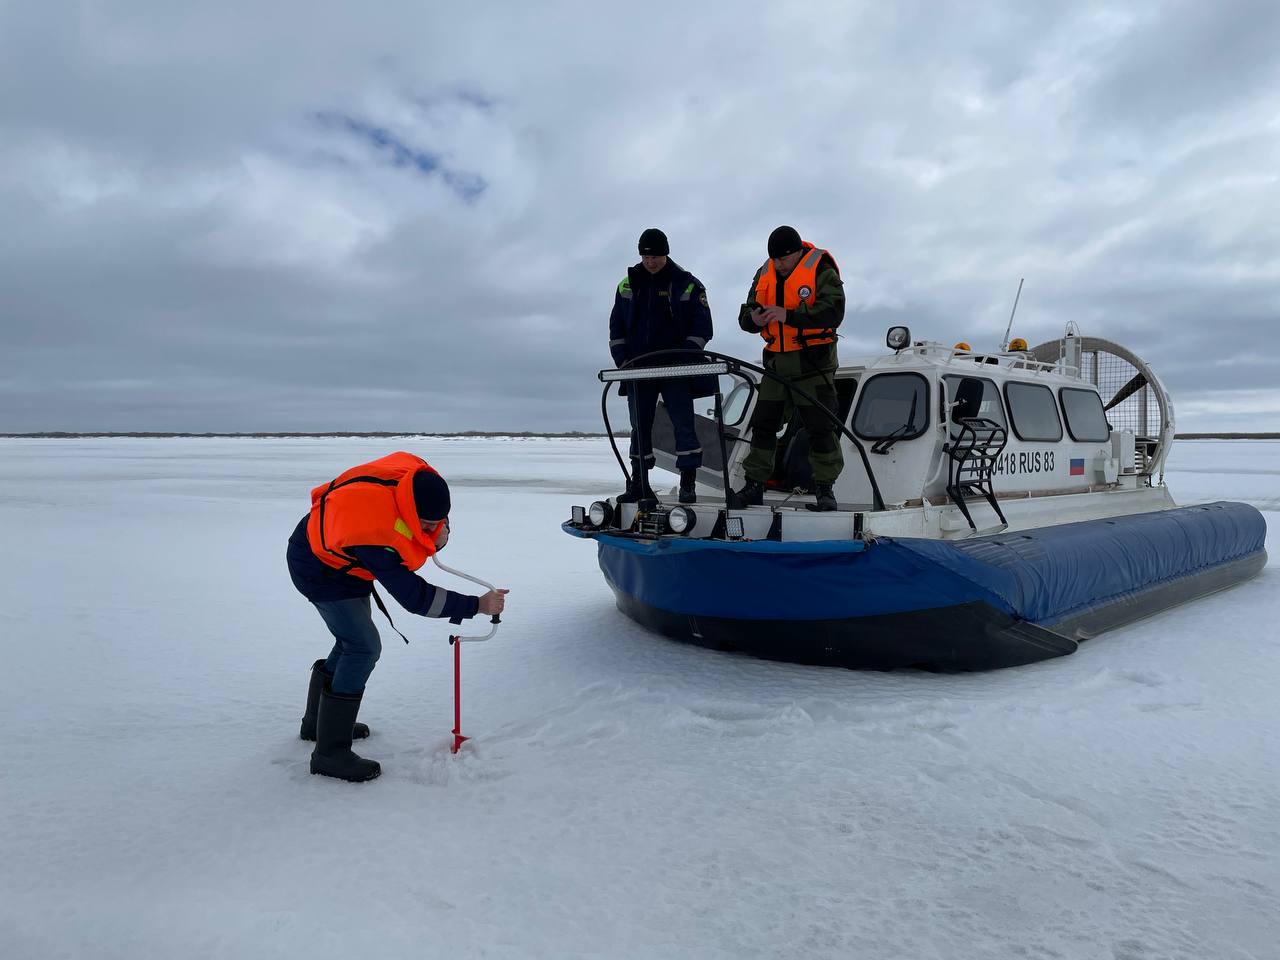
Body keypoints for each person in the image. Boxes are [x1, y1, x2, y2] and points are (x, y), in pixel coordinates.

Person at [286, 451, 508, 782]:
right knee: (362, 647)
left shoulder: (414, 483)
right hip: (319, 570)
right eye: (428, 526)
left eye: (439, 524)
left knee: (351, 640)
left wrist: (432, 532)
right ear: (407, 510)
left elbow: (421, 529)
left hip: (345, 560)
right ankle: (330, 753)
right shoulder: (373, 531)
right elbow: (415, 598)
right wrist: (476, 605)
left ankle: (316, 724)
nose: (434, 531)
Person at [729, 225, 845, 511]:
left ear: (796, 252)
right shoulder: (764, 272)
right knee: (763, 426)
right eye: (775, 260)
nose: (779, 264)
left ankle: (825, 490)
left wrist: (789, 315)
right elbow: (745, 314)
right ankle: (754, 485)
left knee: (821, 428)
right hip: (776, 365)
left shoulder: (821, 269)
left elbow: (834, 311)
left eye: (784, 258)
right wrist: (753, 319)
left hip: (812, 364)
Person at [608, 227, 714, 504]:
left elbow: (702, 327)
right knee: (639, 427)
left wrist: (686, 356)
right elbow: (616, 326)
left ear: (665, 254)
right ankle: (638, 483)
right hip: (638, 369)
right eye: (646, 256)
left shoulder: (687, 284)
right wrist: (623, 360)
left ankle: (688, 483)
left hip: (675, 369)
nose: (650, 261)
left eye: (655, 256)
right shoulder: (627, 285)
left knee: (683, 425)